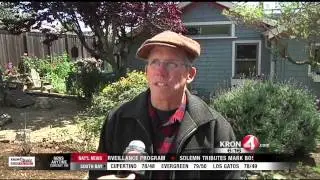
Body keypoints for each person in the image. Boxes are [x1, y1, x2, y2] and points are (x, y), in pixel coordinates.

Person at [88, 30, 241, 179]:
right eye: (154, 62)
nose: (160, 72)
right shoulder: (117, 120)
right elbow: (97, 174)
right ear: (146, 71)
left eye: (171, 64)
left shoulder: (216, 128)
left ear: (190, 74)